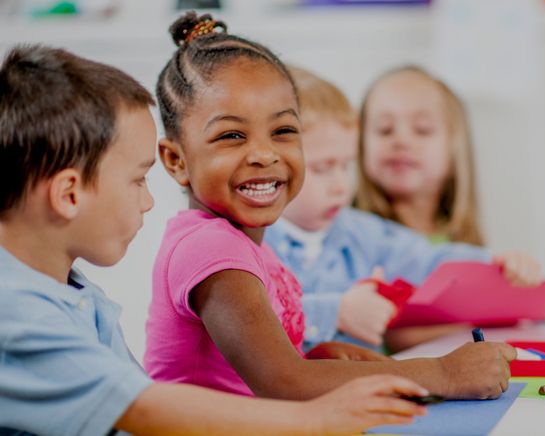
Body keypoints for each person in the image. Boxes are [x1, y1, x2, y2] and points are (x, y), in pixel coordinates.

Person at [0, 44, 428, 436]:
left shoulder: (72, 293)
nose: (148, 202)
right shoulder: (17, 316)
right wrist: (314, 418)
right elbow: (143, 408)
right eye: (136, 181)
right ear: (69, 194)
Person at [145, 12, 516, 402]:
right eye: (232, 135)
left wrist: (318, 358)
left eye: (283, 131)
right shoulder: (211, 250)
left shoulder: (249, 245)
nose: (264, 154)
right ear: (176, 161)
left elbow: (265, 371)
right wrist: (442, 373)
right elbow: (284, 382)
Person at [266, 67, 541, 352]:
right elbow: (251, 317)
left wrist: (495, 263)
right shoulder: (254, 241)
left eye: (346, 166)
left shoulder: (361, 230)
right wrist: (336, 313)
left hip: (366, 388)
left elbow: (427, 260)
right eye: (323, 168)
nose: (341, 186)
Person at [355, 65, 485, 245]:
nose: (401, 140)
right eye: (385, 129)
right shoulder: (347, 239)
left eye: (422, 129)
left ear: (454, 149)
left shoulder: (465, 249)